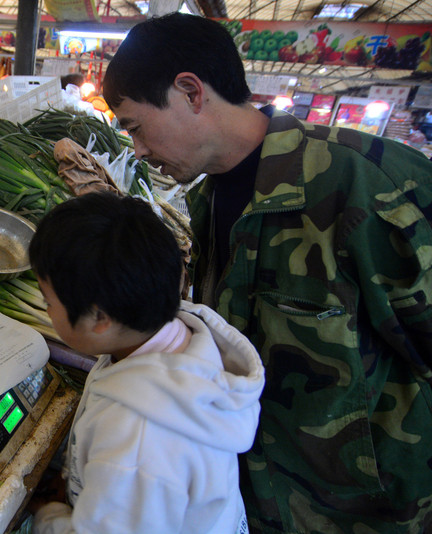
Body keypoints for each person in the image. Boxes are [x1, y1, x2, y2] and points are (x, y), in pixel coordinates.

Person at [102, 12, 432, 534]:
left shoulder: (368, 183)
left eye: (136, 127)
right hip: (258, 507)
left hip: (370, 517)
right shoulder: (210, 202)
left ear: (190, 91)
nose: (137, 150)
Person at [28, 192, 265, 534]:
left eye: (47, 300)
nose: (46, 309)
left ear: (100, 317)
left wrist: (48, 518)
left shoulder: (135, 446)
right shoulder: (171, 339)